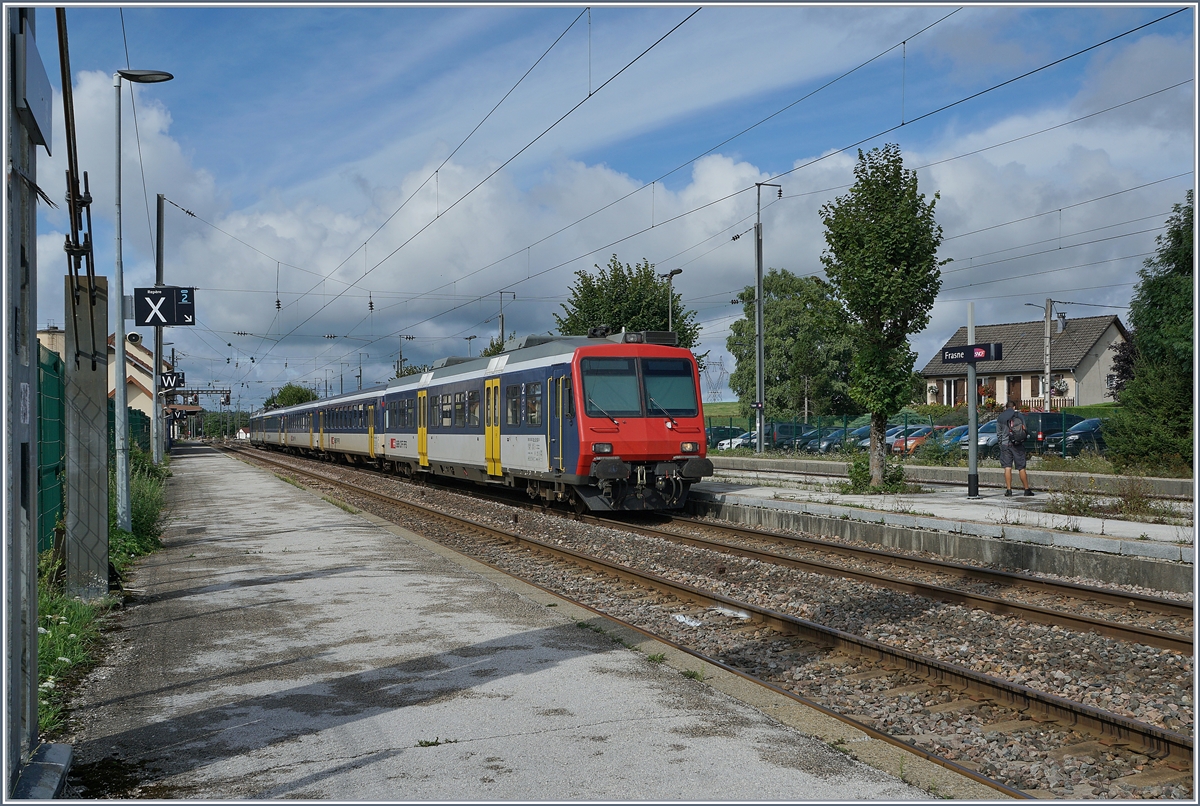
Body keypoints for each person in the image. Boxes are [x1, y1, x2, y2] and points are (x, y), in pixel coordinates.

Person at [996, 400, 1034, 496]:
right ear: (1014, 407)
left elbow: (999, 434)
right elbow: (1024, 428)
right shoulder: (1018, 415)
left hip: (1005, 445)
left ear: (1006, 407)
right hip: (1017, 444)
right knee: (1021, 467)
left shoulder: (1000, 417)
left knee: (1007, 467)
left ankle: (1009, 490)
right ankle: (1026, 489)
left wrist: (1001, 445)